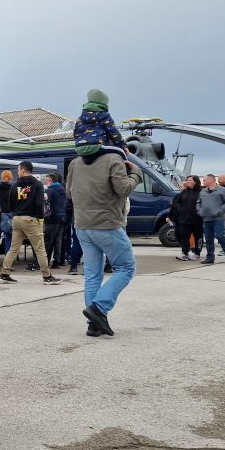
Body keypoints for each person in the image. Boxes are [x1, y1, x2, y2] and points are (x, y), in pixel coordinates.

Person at [66, 139, 141, 337]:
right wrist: (136, 174)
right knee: (126, 268)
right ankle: (99, 308)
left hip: (82, 225)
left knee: (92, 275)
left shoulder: (75, 162)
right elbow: (123, 189)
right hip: (107, 224)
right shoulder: (113, 159)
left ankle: (94, 324)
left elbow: (68, 192)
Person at [0, 161, 61, 285]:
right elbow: (39, 203)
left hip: (16, 220)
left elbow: (10, 204)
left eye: (18, 169)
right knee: (40, 249)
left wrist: (17, 211)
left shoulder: (15, 185)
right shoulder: (37, 184)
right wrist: (39, 218)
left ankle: (4, 274)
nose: (17, 172)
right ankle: (47, 276)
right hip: (31, 219)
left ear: (23, 170)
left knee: (13, 248)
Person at [197, 174, 225, 264]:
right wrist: (200, 211)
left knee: (220, 236)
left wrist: (220, 211)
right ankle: (210, 257)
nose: (203, 181)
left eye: (205, 180)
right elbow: (198, 202)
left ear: (211, 180)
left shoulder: (222, 190)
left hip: (218, 219)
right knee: (208, 239)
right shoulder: (203, 191)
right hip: (206, 219)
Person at [167, 175, 204, 261]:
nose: (188, 182)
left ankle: (197, 253)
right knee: (183, 236)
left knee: (198, 237)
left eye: (190, 180)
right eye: (187, 180)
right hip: (184, 219)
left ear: (195, 181)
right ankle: (185, 253)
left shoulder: (201, 192)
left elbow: (204, 204)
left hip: (197, 219)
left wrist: (200, 213)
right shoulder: (184, 192)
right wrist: (181, 211)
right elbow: (176, 204)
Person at [43, 172, 67, 268]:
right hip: (62, 218)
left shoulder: (50, 190)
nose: (46, 182)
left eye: (47, 180)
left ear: (51, 181)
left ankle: (46, 261)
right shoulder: (63, 190)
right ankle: (56, 261)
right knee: (58, 241)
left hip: (52, 218)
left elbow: (46, 204)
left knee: (48, 240)